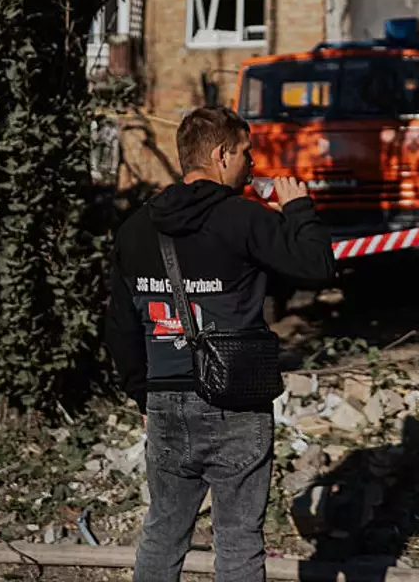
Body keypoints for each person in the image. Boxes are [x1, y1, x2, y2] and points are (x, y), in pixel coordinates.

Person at [105, 106, 337, 582]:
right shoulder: (244, 220)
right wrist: (297, 208)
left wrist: (141, 393)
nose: (252, 164)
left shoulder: (134, 229)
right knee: (238, 540)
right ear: (221, 153)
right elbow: (318, 267)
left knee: (163, 533)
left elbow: (121, 326)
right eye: (247, 153)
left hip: (165, 398)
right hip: (236, 400)